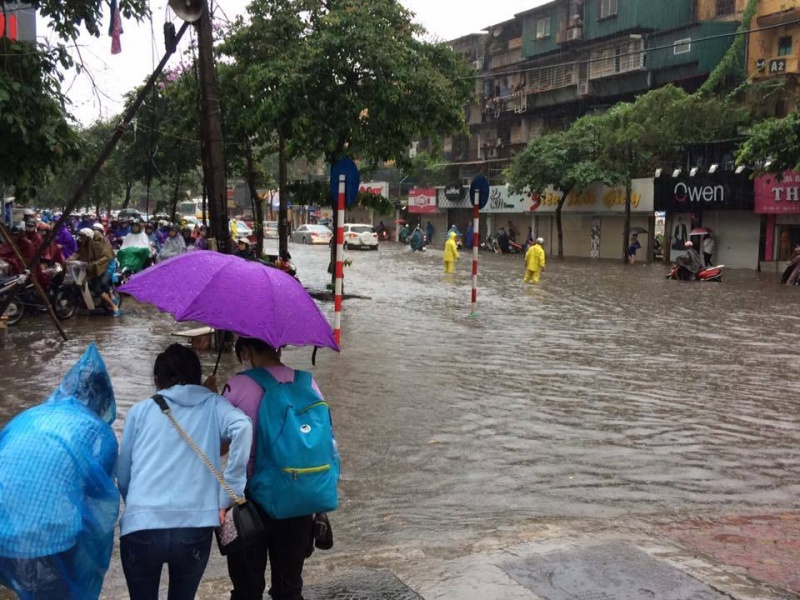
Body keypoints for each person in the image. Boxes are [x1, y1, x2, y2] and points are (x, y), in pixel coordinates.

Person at [117, 343, 252, 600]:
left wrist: (138, 506)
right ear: (197, 375)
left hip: (141, 527)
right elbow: (243, 427)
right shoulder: (213, 404)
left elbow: (123, 476)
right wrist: (230, 493)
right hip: (194, 527)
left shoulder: (140, 410)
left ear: (158, 378)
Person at [0, 344, 119, 600]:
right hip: (46, 541)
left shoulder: (29, 415)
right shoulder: (98, 431)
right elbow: (99, 502)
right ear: (103, 401)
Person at [215, 337, 327, 600]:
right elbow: (323, 440)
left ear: (245, 350)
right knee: (289, 587)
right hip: (299, 496)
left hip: (249, 502)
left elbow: (218, 446)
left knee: (247, 589)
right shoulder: (307, 381)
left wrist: (213, 402)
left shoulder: (239, 384)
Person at [75, 227, 118, 314]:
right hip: (94, 268)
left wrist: (94, 263)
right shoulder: (85, 245)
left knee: (98, 288)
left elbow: (105, 258)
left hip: (105, 267)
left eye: (83, 237)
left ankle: (113, 306)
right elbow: (78, 254)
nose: (81, 239)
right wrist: (68, 260)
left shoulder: (101, 245)